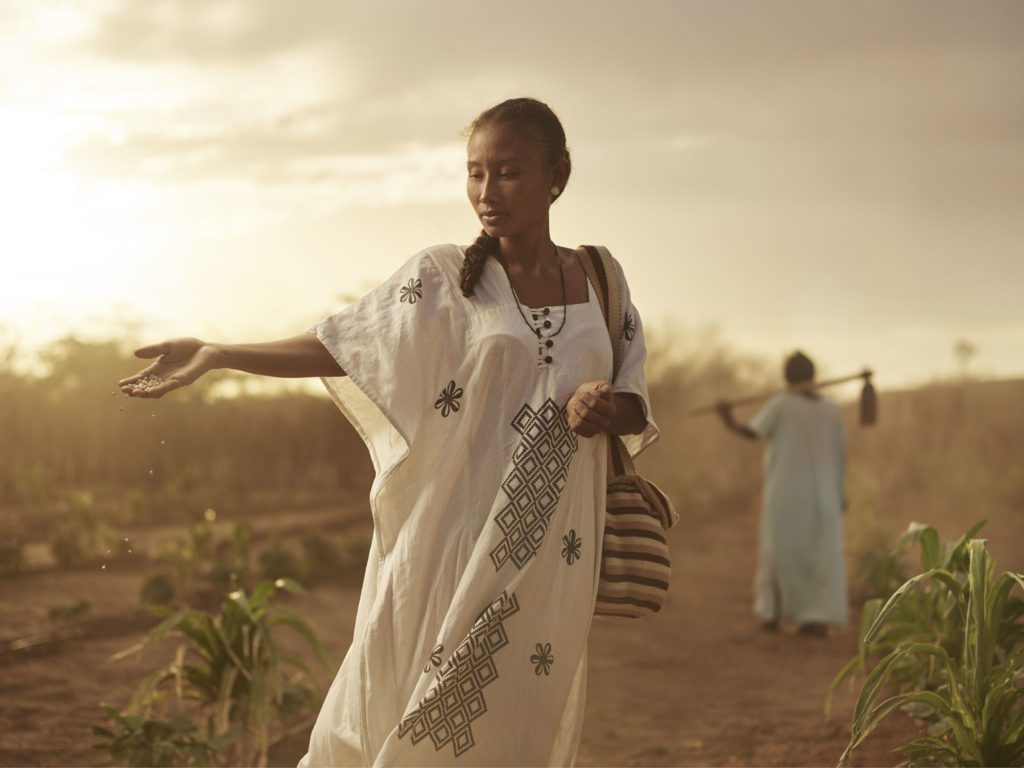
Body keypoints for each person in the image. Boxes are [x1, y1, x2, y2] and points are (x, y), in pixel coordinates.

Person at [119, 97, 659, 766]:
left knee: (516, 717)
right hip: (452, 538)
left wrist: (605, 409)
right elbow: (345, 345)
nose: (487, 192)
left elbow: (635, 400)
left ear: (558, 175)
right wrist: (222, 352)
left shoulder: (601, 278)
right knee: (421, 708)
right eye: (475, 173)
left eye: (508, 172)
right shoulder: (443, 277)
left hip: (555, 547)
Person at [714, 351, 848, 638]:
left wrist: (727, 418)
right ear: (812, 375)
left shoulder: (783, 404)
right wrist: (840, 492)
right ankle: (815, 617)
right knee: (818, 555)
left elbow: (753, 432)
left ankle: (772, 612)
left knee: (778, 550)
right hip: (825, 494)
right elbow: (840, 453)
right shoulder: (830, 408)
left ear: (787, 377)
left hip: (787, 493)